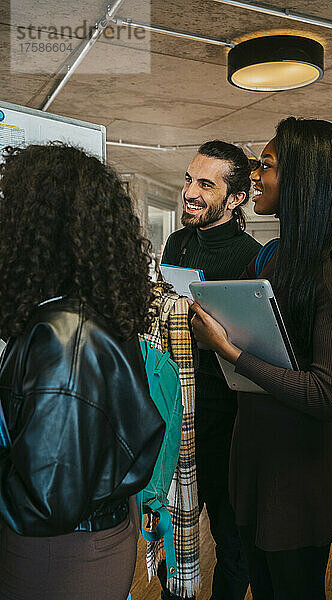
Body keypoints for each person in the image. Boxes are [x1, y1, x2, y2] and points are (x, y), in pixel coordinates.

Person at [189, 117, 332, 600]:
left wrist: (227, 348)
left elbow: (325, 391)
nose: (256, 175)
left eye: (267, 165)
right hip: (256, 459)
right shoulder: (276, 257)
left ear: (302, 178)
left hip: (297, 471)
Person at [0, 143, 166, 600]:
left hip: (58, 554)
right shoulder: (85, 315)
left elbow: (51, 494)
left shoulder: (64, 338)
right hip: (88, 538)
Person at [159, 140, 261, 600]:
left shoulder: (253, 257)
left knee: (230, 542)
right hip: (173, 414)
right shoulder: (177, 242)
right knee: (172, 529)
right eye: (188, 179)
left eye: (205, 183)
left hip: (226, 421)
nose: (190, 192)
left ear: (236, 198)